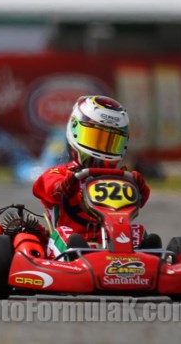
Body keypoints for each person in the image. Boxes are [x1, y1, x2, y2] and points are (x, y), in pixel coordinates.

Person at [32, 95, 150, 257]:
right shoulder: (61, 173)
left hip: (114, 242)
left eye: (111, 142)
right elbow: (44, 186)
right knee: (67, 235)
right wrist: (63, 187)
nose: (102, 148)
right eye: (95, 138)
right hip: (73, 243)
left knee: (139, 231)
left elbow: (139, 202)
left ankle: (150, 258)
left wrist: (139, 188)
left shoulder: (121, 177)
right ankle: (76, 259)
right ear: (75, 130)